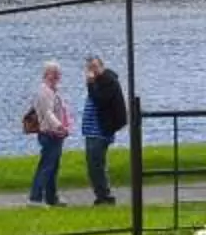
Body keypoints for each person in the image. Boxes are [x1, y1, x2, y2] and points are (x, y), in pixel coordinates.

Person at [80, 55, 129, 206]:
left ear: (102, 66)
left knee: (96, 165)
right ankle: (102, 195)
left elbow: (100, 100)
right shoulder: (100, 82)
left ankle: (104, 196)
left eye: (95, 67)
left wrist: (90, 84)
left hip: (100, 132)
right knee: (95, 164)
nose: (92, 71)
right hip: (93, 131)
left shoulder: (107, 81)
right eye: (90, 68)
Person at [24, 62, 74, 207]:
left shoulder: (53, 91)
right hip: (50, 133)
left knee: (53, 166)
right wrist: (59, 126)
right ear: (46, 74)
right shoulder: (44, 92)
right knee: (46, 166)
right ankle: (35, 198)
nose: (57, 76)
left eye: (58, 73)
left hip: (56, 134)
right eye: (54, 73)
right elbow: (47, 112)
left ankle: (52, 197)